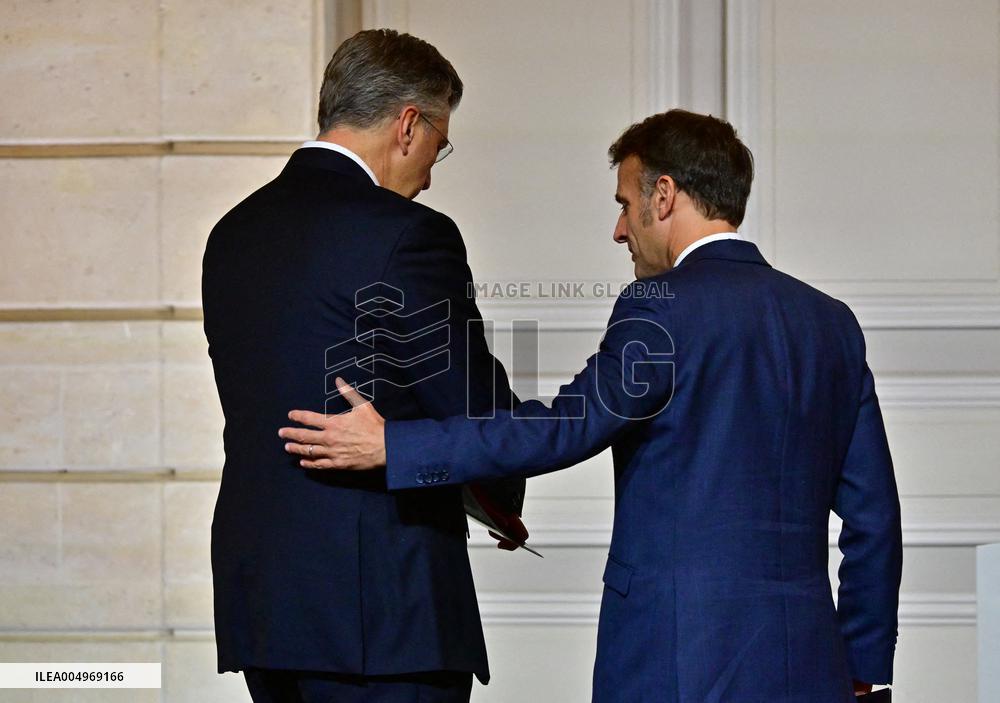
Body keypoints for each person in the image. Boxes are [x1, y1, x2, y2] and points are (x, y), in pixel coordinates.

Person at [279, 110, 904, 702]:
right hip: (811, 663)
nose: (619, 229)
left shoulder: (660, 305)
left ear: (664, 195)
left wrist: (397, 446)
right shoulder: (832, 323)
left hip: (678, 657)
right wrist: (862, 666)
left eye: (625, 204)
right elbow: (873, 519)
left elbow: (567, 426)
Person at [203, 29, 526, 703]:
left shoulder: (230, 232)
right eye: (441, 140)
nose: (434, 168)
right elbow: (472, 404)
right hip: (382, 612)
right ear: (409, 124)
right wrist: (503, 500)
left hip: (265, 605)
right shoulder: (410, 233)